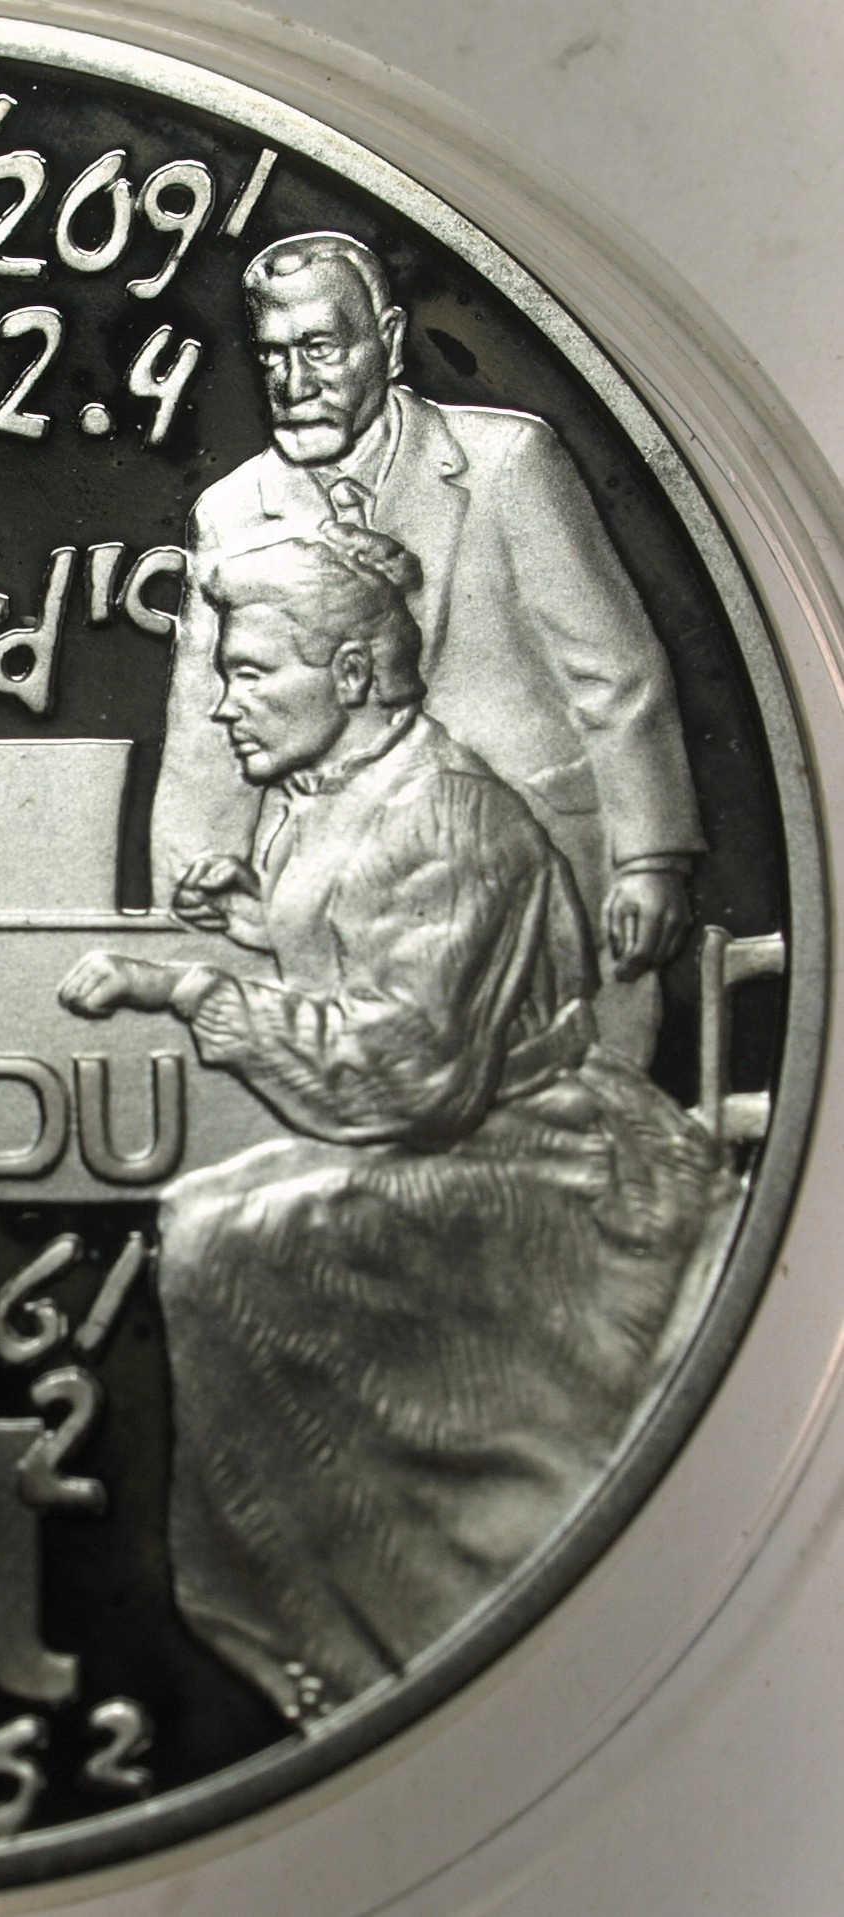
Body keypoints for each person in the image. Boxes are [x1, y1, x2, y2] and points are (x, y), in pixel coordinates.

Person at [63, 524, 737, 1725]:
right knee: (216, 1217)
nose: (222, 705)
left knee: (225, 1237)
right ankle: (326, 1606)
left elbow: (404, 1076)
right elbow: (367, 940)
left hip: (537, 1158)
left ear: (351, 673)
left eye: (250, 672)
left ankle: (396, 1622)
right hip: (466, 1134)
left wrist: (190, 991)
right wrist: (258, 918)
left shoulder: (446, 813)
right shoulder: (346, 788)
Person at [149, 230, 704, 1063]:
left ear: (390, 339)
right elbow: (206, 734)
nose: (292, 384)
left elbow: (613, 673)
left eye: (320, 349)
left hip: (543, 878)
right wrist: (188, 895)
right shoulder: (231, 512)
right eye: (271, 356)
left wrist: (652, 859)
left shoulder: (508, 463)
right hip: (345, 909)